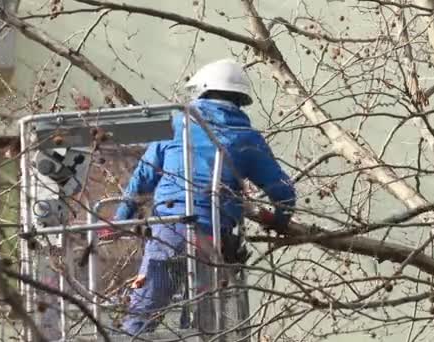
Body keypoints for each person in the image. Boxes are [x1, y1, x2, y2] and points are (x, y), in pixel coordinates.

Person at [112, 59, 297, 335]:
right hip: (214, 238)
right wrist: (279, 221)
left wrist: (119, 219)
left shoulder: (176, 124)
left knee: (146, 309)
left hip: (171, 229)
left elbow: (143, 177)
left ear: (202, 91)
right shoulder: (246, 137)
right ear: (239, 100)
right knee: (213, 318)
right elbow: (283, 192)